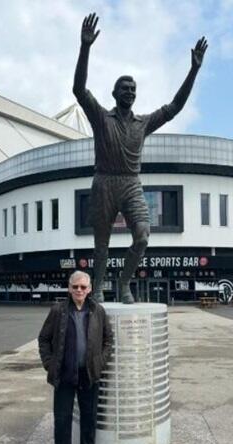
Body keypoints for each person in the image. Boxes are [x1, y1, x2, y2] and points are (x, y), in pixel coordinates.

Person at [73, 13, 207, 304]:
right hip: (104, 181)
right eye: (125, 89)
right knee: (101, 246)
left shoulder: (142, 123)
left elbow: (174, 107)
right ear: (114, 93)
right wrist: (85, 48)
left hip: (131, 183)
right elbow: (79, 90)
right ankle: (97, 288)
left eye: (133, 89)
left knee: (143, 236)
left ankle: (123, 284)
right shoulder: (101, 117)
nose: (130, 92)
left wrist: (193, 71)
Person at [38, 271, 113, 444]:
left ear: (89, 289)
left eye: (83, 287)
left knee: (89, 419)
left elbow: (108, 339)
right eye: (75, 287)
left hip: (88, 375)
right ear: (69, 288)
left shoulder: (97, 310)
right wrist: (50, 365)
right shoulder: (58, 311)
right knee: (62, 421)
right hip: (63, 375)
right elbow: (43, 339)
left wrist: (100, 362)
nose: (79, 290)